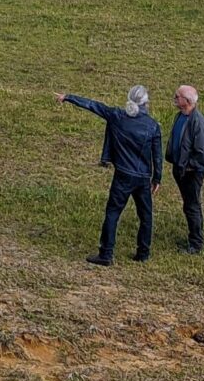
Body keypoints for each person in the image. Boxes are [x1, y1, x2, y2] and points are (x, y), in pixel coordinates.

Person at [58, 84, 162, 265]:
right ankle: (143, 252)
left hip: (122, 175)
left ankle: (106, 253)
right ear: (146, 103)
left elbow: (93, 105)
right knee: (146, 216)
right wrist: (157, 178)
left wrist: (68, 97)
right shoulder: (152, 126)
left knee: (113, 213)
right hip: (143, 177)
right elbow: (157, 156)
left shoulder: (116, 116)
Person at [168, 85, 204, 254]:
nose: (174, 98)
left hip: (191, 173)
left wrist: (187, 167)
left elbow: (202, 155)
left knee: (192, 206)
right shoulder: (181, 116)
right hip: (181, 170)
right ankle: (194, 237)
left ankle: (196, 243)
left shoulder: (198, 123)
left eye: (177, 96)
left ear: (186, 101)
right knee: (189, 205)